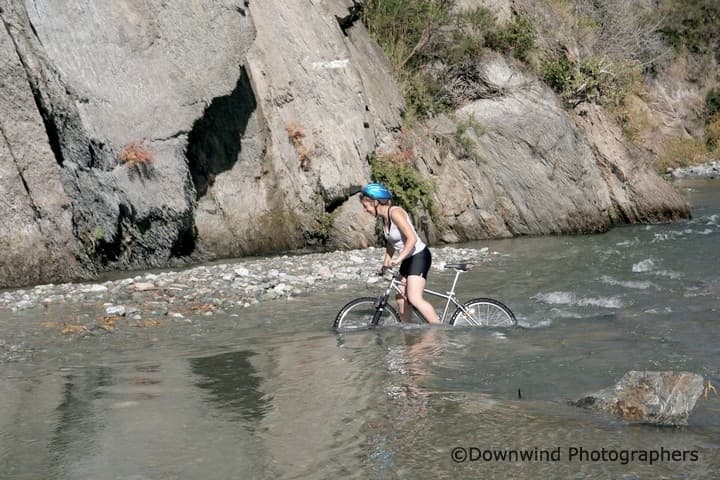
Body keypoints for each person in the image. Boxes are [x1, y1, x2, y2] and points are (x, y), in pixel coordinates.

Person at [359, 182, 440, 324]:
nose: (365, 210)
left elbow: (412, 238)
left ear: (375, 202)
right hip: (408, 258)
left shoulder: (395, 213)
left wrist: (398, 258)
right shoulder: (384, 219)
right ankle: (407, 328)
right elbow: (391, 242)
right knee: (401, 298)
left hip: (419, 256)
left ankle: (439, 331)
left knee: (414, 298)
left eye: (366, 206)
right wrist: (385, 263)